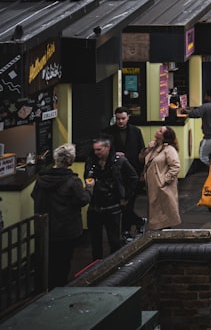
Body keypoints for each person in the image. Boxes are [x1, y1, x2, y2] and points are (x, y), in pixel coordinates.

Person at [32, 143, 91, 288]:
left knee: (48, 260)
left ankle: (45, 288)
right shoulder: (73, 181)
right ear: (70, 161)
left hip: (46, 227)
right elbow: (83, 200)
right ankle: (59, 288)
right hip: (66, 228)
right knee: (63, 261)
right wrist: (90, 189)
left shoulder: (42, 179)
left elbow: (34, 196)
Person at [85, 136, 138, 260]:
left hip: (113, 205)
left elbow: (133, 177)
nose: (96, 153)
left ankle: (115, 265)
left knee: (114, 240)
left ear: (107, 147)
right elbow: (87, 176)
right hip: (95, 206)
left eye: (99, 150)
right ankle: (96, 268)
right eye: (95, 150)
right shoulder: (91, 161)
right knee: (95, 242)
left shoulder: (119, 161)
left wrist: (126, 196)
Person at [103, 107, 145, 239]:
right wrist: (113, 154)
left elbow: (141, 151)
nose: (120, 121)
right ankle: (136, 222)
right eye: (118, 119)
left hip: (133, 172)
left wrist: (142, 171)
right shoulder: (108, 132)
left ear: (128, 117)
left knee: (129, 202)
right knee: (121, 204)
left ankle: (126, 229)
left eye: (123, 118)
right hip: (115, 173)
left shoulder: (136, 131)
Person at [140, 126, 181, 231]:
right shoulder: (154, 147)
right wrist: (148, 148)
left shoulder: (169, 149)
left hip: (163, 187)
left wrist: (164, 180)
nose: (157, 131)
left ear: (164, 136)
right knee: (157, 211)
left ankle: (163, 234)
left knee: (164, 212)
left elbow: (175, 166)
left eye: (160, 131)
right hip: (153, 186)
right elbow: (141, 159)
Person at [182, 93, 211, 167]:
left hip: (210, 136)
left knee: (203, 156)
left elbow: (195, 114)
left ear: (208, 96)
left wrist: (185, 111)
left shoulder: (206, 106)